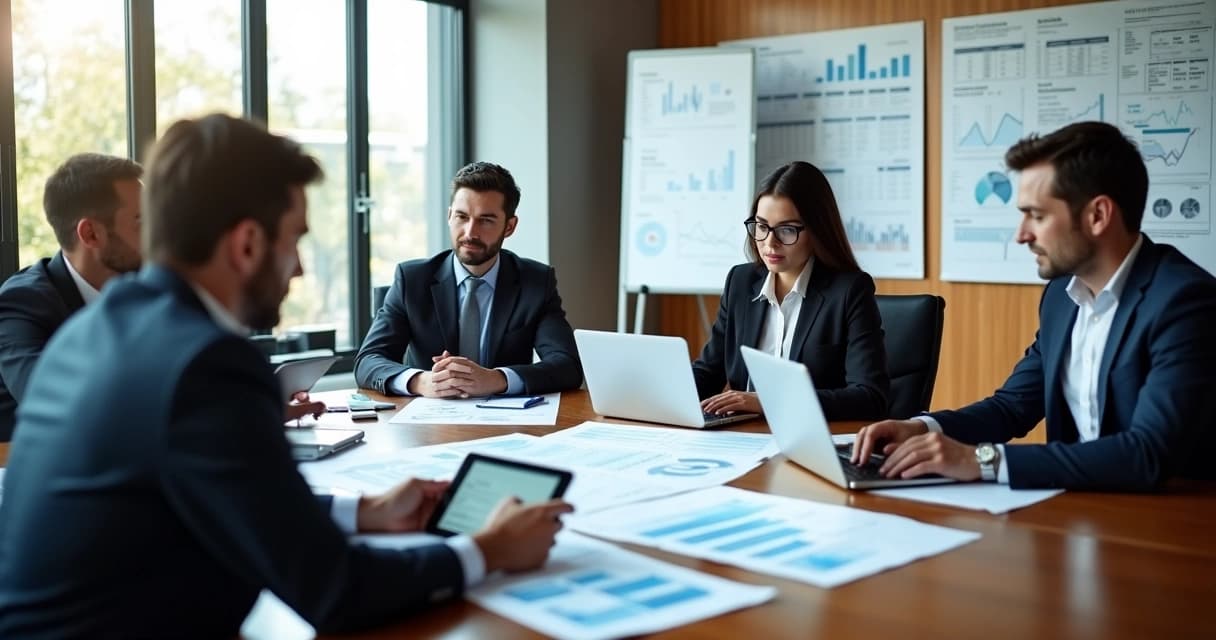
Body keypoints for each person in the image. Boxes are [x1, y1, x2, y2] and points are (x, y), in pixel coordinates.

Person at [0, 114, 573, 636]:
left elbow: (218, 498)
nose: (299, 267)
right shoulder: (207, 364)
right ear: (248, 242)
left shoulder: (103, 326)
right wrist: (487, 549)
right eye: (295, 239)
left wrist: (364, 511)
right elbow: (333, 589)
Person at [852, 121, 1216, 491]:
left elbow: (1147, 453)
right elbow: (1012, 407)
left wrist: (981, 460)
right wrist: (921, 427)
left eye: (1037, 216)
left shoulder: (1184, 303)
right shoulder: (1061, 295)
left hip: (1168, 525)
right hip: (1080, 510)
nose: (1021, 234)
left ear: (1097, 216)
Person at [355, 161, 582, 398]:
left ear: (509, 227)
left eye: (486, 220)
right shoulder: (412, 280)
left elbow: (568, 365)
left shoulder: (535, 282)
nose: (470, 232)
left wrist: (496, 379)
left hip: (507, 424)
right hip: (428, 424)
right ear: (449, 215)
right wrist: (422, 381)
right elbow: (368, 362)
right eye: (462, 217)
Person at [692, 161, 890, 421]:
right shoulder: (740, 282)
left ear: (817, 231)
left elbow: (869, 397)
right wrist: (660, 394)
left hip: (810, 440)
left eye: (787, 230)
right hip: (743, 436)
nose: (769, 243)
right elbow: (708, 371)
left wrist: (769, 401)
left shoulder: (849, 292)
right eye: (761, 227)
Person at [0, 153, 142, 441]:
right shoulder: (21, 304)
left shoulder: (146, 291)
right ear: (90, 234)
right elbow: (50, 395)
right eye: (141, 222)